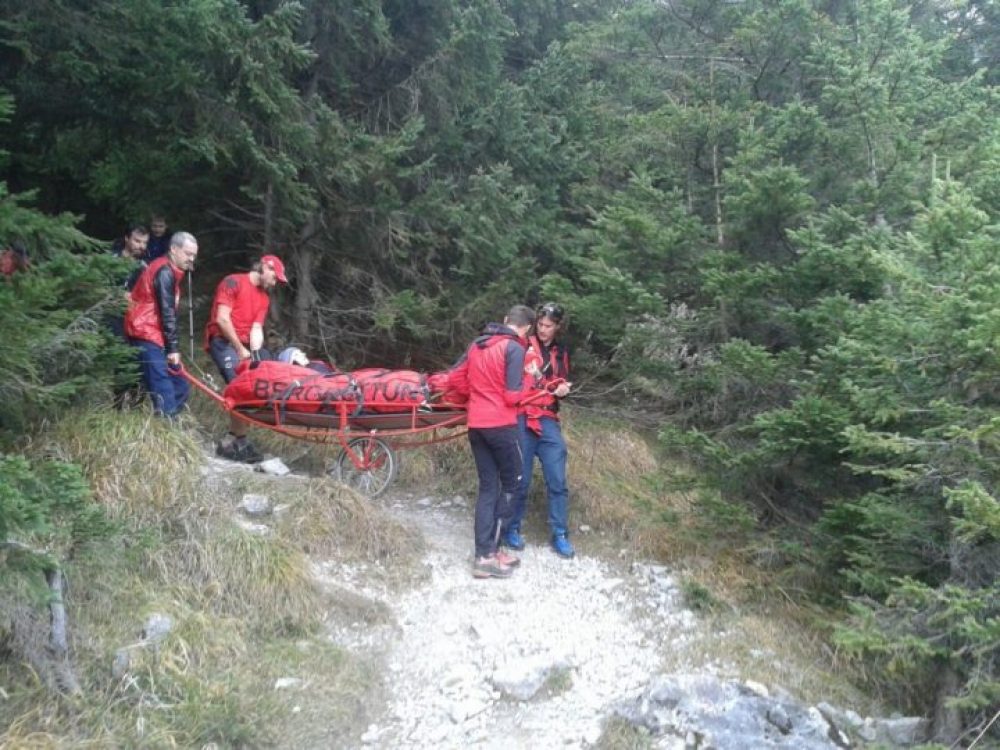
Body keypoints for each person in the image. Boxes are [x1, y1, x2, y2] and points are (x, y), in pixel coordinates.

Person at [458, 304, 535, 579]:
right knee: (512, 484)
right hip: (501, 426)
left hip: (476, 424)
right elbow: (512, 397)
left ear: (505, 320)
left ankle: (483, 554)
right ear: (526, 328)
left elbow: (462, 384)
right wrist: (531, 378)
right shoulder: (514, 348)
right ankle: (492, 553)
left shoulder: (477, 345)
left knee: (488, 487)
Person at [504, 302, 576, 559]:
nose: (544, 330)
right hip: (524, 415)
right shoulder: (522, 344)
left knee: (557, 478)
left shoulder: (561, 351)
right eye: (541, 324)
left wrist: (563, 388)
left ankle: (560, 534)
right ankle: (511, 528)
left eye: (549, 326)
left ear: (557, 327)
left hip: (548, 418)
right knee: (520, 477)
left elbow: (562, 379)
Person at [204, 254, 288, 461]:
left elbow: (257, 328)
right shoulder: (233, 282)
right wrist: (240, 349)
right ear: (265, 268)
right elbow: (222, 319)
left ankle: (234, 439)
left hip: (244, 345)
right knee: (239, 386)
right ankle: (237, 440)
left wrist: (256, 353)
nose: (274, 282)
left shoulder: (264, 298)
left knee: (250, 388)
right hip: (223, 341)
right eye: (275, 277)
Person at [123, 232, 198, 417]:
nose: (191, 259)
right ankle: (166, 428)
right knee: (164, 388)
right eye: (188, 254)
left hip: (153, 334)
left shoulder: (168, 270)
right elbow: (167, 313)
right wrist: (173, 349)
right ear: (173, 249)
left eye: (194, 255)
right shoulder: (164, 272)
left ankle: (159, 421)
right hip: (145, 332)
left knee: (180, 385)